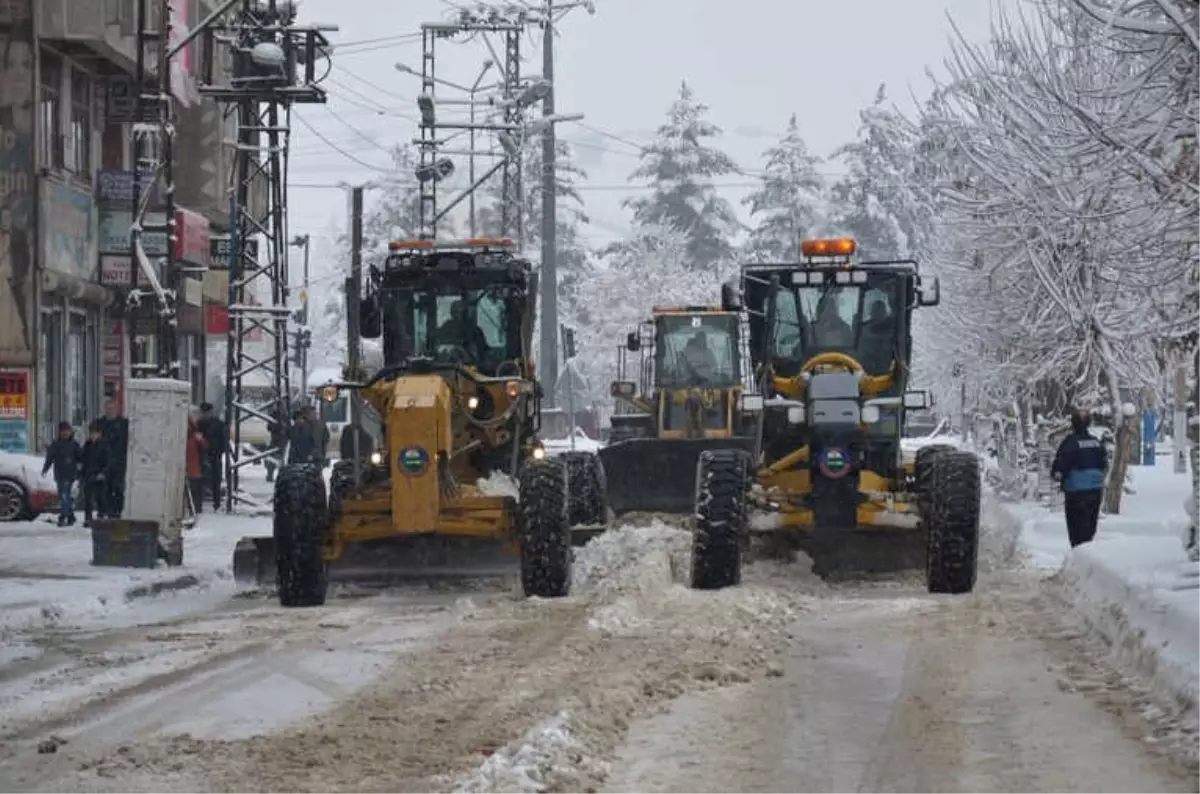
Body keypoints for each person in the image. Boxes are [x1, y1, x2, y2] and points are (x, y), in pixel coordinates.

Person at [1051, 408, 1108, 548]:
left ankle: (1079, 556)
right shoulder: (1096, 442)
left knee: (1076, 530)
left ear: (1073, 424)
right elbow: (1104, 463)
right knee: (1089, 527)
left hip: (1076, 491)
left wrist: (1056, 474)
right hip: (1095, 490)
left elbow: (1060, 464)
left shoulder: (1070, 442)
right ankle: (1088, 554)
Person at [41, 422, 80, 527]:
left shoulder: (74, 444)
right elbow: (50, 458)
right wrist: (45, 469)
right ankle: (71, 516)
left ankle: (63, 516)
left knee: (64, 496)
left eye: (67, 431)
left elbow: (80, 458)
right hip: (59, 473)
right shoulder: (56, 444)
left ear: (70, 432)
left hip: (70, 474)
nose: (65, 433)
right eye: (63, 431)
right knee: (64, 495)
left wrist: (79, 468)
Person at [95, 400, 129, 518]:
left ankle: (117, 510)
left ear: (117, 409)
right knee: (105, 488)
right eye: (108, 408)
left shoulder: (124, 424)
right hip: (104, 462)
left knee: (119, 488)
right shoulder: (100, 423)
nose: (110, 411)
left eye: (113, 408)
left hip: (119, 462)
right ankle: (107, 510)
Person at [196, 403, 227, 511]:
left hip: (214, 455)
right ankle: (199, 505)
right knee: (200, 481)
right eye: (203, 413)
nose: (205, 415)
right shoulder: (199, 424)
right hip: (202, 456)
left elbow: (223, 441)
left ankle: (216, 504)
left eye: (207, 412)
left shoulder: (218, 424)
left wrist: (219, 452)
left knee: (215, 481)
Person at [78, 423, 110, 527]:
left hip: (99, 475)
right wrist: (81, 469)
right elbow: (82, 457)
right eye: (91, 433)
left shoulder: (104, 445)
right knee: (88, 498)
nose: (92, 436)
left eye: (95, 433)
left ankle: (101, 516)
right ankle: (88, 518)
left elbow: (108, 461)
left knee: (100, 497)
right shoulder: (87, 445)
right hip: (88, 475)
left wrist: (103, 473)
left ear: (99, 434)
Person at [186, 416, 208, 515]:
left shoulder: (195, 437)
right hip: (191, 468)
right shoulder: (193, 437)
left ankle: (195, 509)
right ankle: (193, 508)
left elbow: (205, 446)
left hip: (193, 468)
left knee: (194, 491)